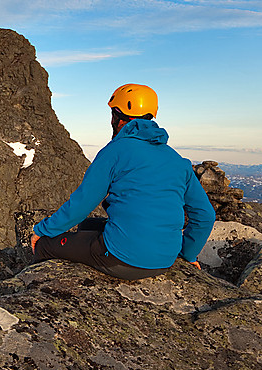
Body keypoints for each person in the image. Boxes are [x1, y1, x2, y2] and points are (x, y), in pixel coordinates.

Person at [29, 83, 216, 280]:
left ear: (118, 116)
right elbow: (205, 215)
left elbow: (82, 203)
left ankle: (34, 288)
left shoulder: (115, 151)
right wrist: (188, 254)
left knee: (44, 245)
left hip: (123, 258)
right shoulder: (178, 161)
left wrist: (43, 230)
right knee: (88, 226)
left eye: (112, 114)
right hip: (165, 260)